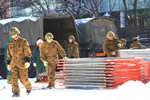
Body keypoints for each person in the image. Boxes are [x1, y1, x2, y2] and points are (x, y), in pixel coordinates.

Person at [7, 27, 32, 97]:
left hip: (22, 63)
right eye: (12, 35)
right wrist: (8, 63)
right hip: (13, 64)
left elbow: (27, 51)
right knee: (13, 80)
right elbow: (8, 54)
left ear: (17, 33)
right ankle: (16, 93)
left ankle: (28, 87)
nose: (14, 36)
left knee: (23, 79)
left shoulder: (23, 41)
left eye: (15, 34)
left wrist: (27, 61)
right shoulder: (10, 44)